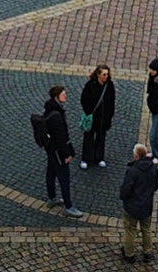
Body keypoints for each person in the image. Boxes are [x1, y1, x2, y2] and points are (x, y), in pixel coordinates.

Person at [42, 86, 85, 218]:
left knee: (51, 172)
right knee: (64, 178)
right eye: (63, 94)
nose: (66, 96)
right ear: (57, 96)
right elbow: (61, 138)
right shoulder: (57, 116)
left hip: (51, 149)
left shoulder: (50, 109)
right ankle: (68, 206)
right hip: (58, 151)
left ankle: (52, 198)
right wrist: (66, 154)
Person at [120, 142, 158, 263]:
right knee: (146, 229)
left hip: (132, 207)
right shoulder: (153, 168)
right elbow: (156, 184)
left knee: (130, 230)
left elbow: (126, 189)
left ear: (136, 156)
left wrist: (124, 198)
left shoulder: (133, 171)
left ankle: (129, 254)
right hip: (146, 205)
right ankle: (147, 252)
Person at [79, 65, 115, 169]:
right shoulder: (90, 85)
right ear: (98, 74)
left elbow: (112, 101)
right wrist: (89, 112)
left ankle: (99, 157)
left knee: (101, 138)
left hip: (104, 118)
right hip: (92, 117)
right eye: (104, 74)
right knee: (88, 138)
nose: (106, 76)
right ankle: (85, 158)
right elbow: (84, 99)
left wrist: (110, 115)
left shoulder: (109, 85)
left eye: (107, 74)